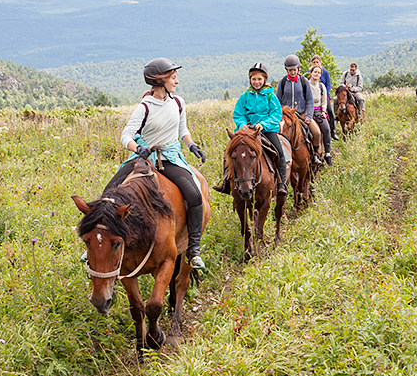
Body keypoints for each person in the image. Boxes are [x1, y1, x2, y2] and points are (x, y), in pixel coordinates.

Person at [108, 58, 208, 270]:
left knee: (194, 195)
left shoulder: (178, 103)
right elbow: (125, 135)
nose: (177, 82)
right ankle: (100, 244)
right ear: (160, 80)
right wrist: (137, 148)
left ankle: (194, 248)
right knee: (109, 192)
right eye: (173, 78)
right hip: (144, 156)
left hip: (170, 157)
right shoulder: (144, 107)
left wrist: (192, 146)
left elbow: (183, 130)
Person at [214, 63, 288, 196]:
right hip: (247, 131)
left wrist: (263, 124)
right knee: (229, 151)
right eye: (254, 79)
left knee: (279, 152)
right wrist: (242, 124)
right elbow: (238, 113)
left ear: (264, 79)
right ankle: (226, 182)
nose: (256, 82)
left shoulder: (271, 96)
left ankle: (281, 183)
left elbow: (276, 114)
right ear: (250, 80)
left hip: (266, 130)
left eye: (259, 79)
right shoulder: (245, 96)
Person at [276, 54, 322, 165]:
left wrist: (309, 116)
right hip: (286, 115)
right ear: (287, 69)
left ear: (298, 68)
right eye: (290, 70)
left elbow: (310, 100)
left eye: (295, 69)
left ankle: (314, 155)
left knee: (317, 133)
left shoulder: (304, 81)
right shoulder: (282, 82)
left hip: (301, 113)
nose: (293, 72)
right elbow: (277, 101)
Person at [308, 55, 339, 140]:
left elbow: (328, 84)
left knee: (329, 111)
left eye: (317, 62)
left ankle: (332, 131)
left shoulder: (325, 72)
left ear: (320, 63)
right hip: (312, 98)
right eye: (314, 62)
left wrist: (326, 94)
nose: (315, 63)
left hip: (323, 95)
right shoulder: (308, 72)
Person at [308, 65, 332, 165]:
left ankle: (327, 153)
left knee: (326, 129)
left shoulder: (321, 86)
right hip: (308, 112)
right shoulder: (306, 85)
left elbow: (324, 100)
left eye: (318, 73)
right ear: (311, 73)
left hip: (318, 111)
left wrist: (323, 111)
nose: (316, 74)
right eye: (315, 72)